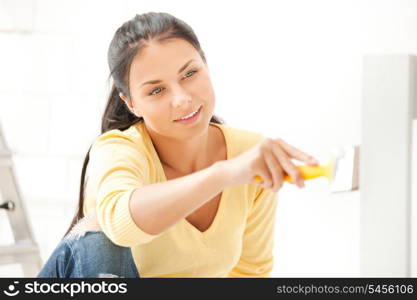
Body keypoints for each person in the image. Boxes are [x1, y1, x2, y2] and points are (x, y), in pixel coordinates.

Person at [37, 12, 319, 278]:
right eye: (156, 90)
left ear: (205, 65)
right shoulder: (118, 149)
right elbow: (121, 226)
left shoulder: (249, 153)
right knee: (99, 238)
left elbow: (249, 273)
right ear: (131, 103)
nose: (182, 98)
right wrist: (224, 174)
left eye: (189, 74)